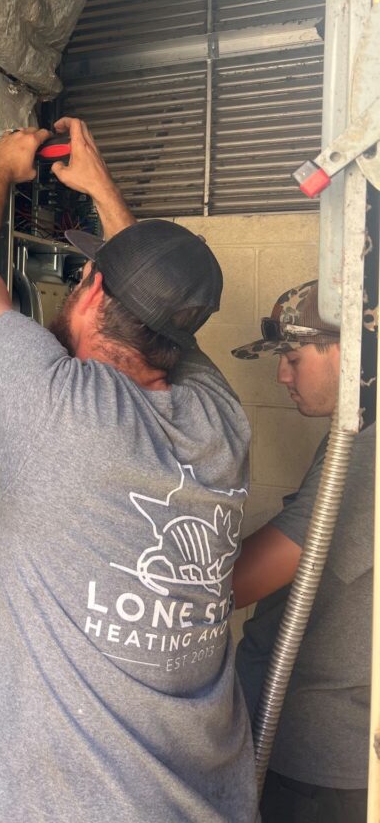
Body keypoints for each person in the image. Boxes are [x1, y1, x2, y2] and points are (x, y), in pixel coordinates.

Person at [0, 117, 258, 822]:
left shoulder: (58, 407)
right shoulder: (222, 417)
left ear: (87, 290)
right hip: (213, 800)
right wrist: (107, 193)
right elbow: (162, 304)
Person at [231, 281, 374, 822]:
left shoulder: (365, 452)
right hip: (300, 740)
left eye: (292, 358)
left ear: (348, 350)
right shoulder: (353, 433)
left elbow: (250, 578)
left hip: (316, 763)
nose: (281, 376)